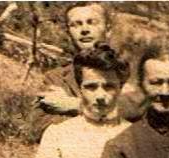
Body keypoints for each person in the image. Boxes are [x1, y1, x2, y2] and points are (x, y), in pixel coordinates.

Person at [29, 2, 142, 142]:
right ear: (68, 32)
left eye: (91, 22)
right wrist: (109, 117)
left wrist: (73, 105)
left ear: (108, 29)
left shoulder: (129, 71)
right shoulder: (56, 78)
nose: (84, 30)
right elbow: (41, 128)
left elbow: (137, 109)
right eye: (76, 24)